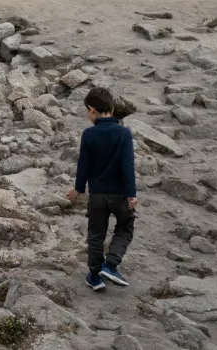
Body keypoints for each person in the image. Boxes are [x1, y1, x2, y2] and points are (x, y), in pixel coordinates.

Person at [66, 86, 136, 291]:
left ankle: (95, 276)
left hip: (97, 195)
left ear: (92, 109)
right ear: (112, 109)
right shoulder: (124, 133)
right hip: (120, 194)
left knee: (96, 234)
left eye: (87, 111)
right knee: (125, 227)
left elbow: (83, 165)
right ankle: (111, 264)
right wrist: (132, 194)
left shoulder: (89, 134)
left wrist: (78, 189)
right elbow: (128, 166)